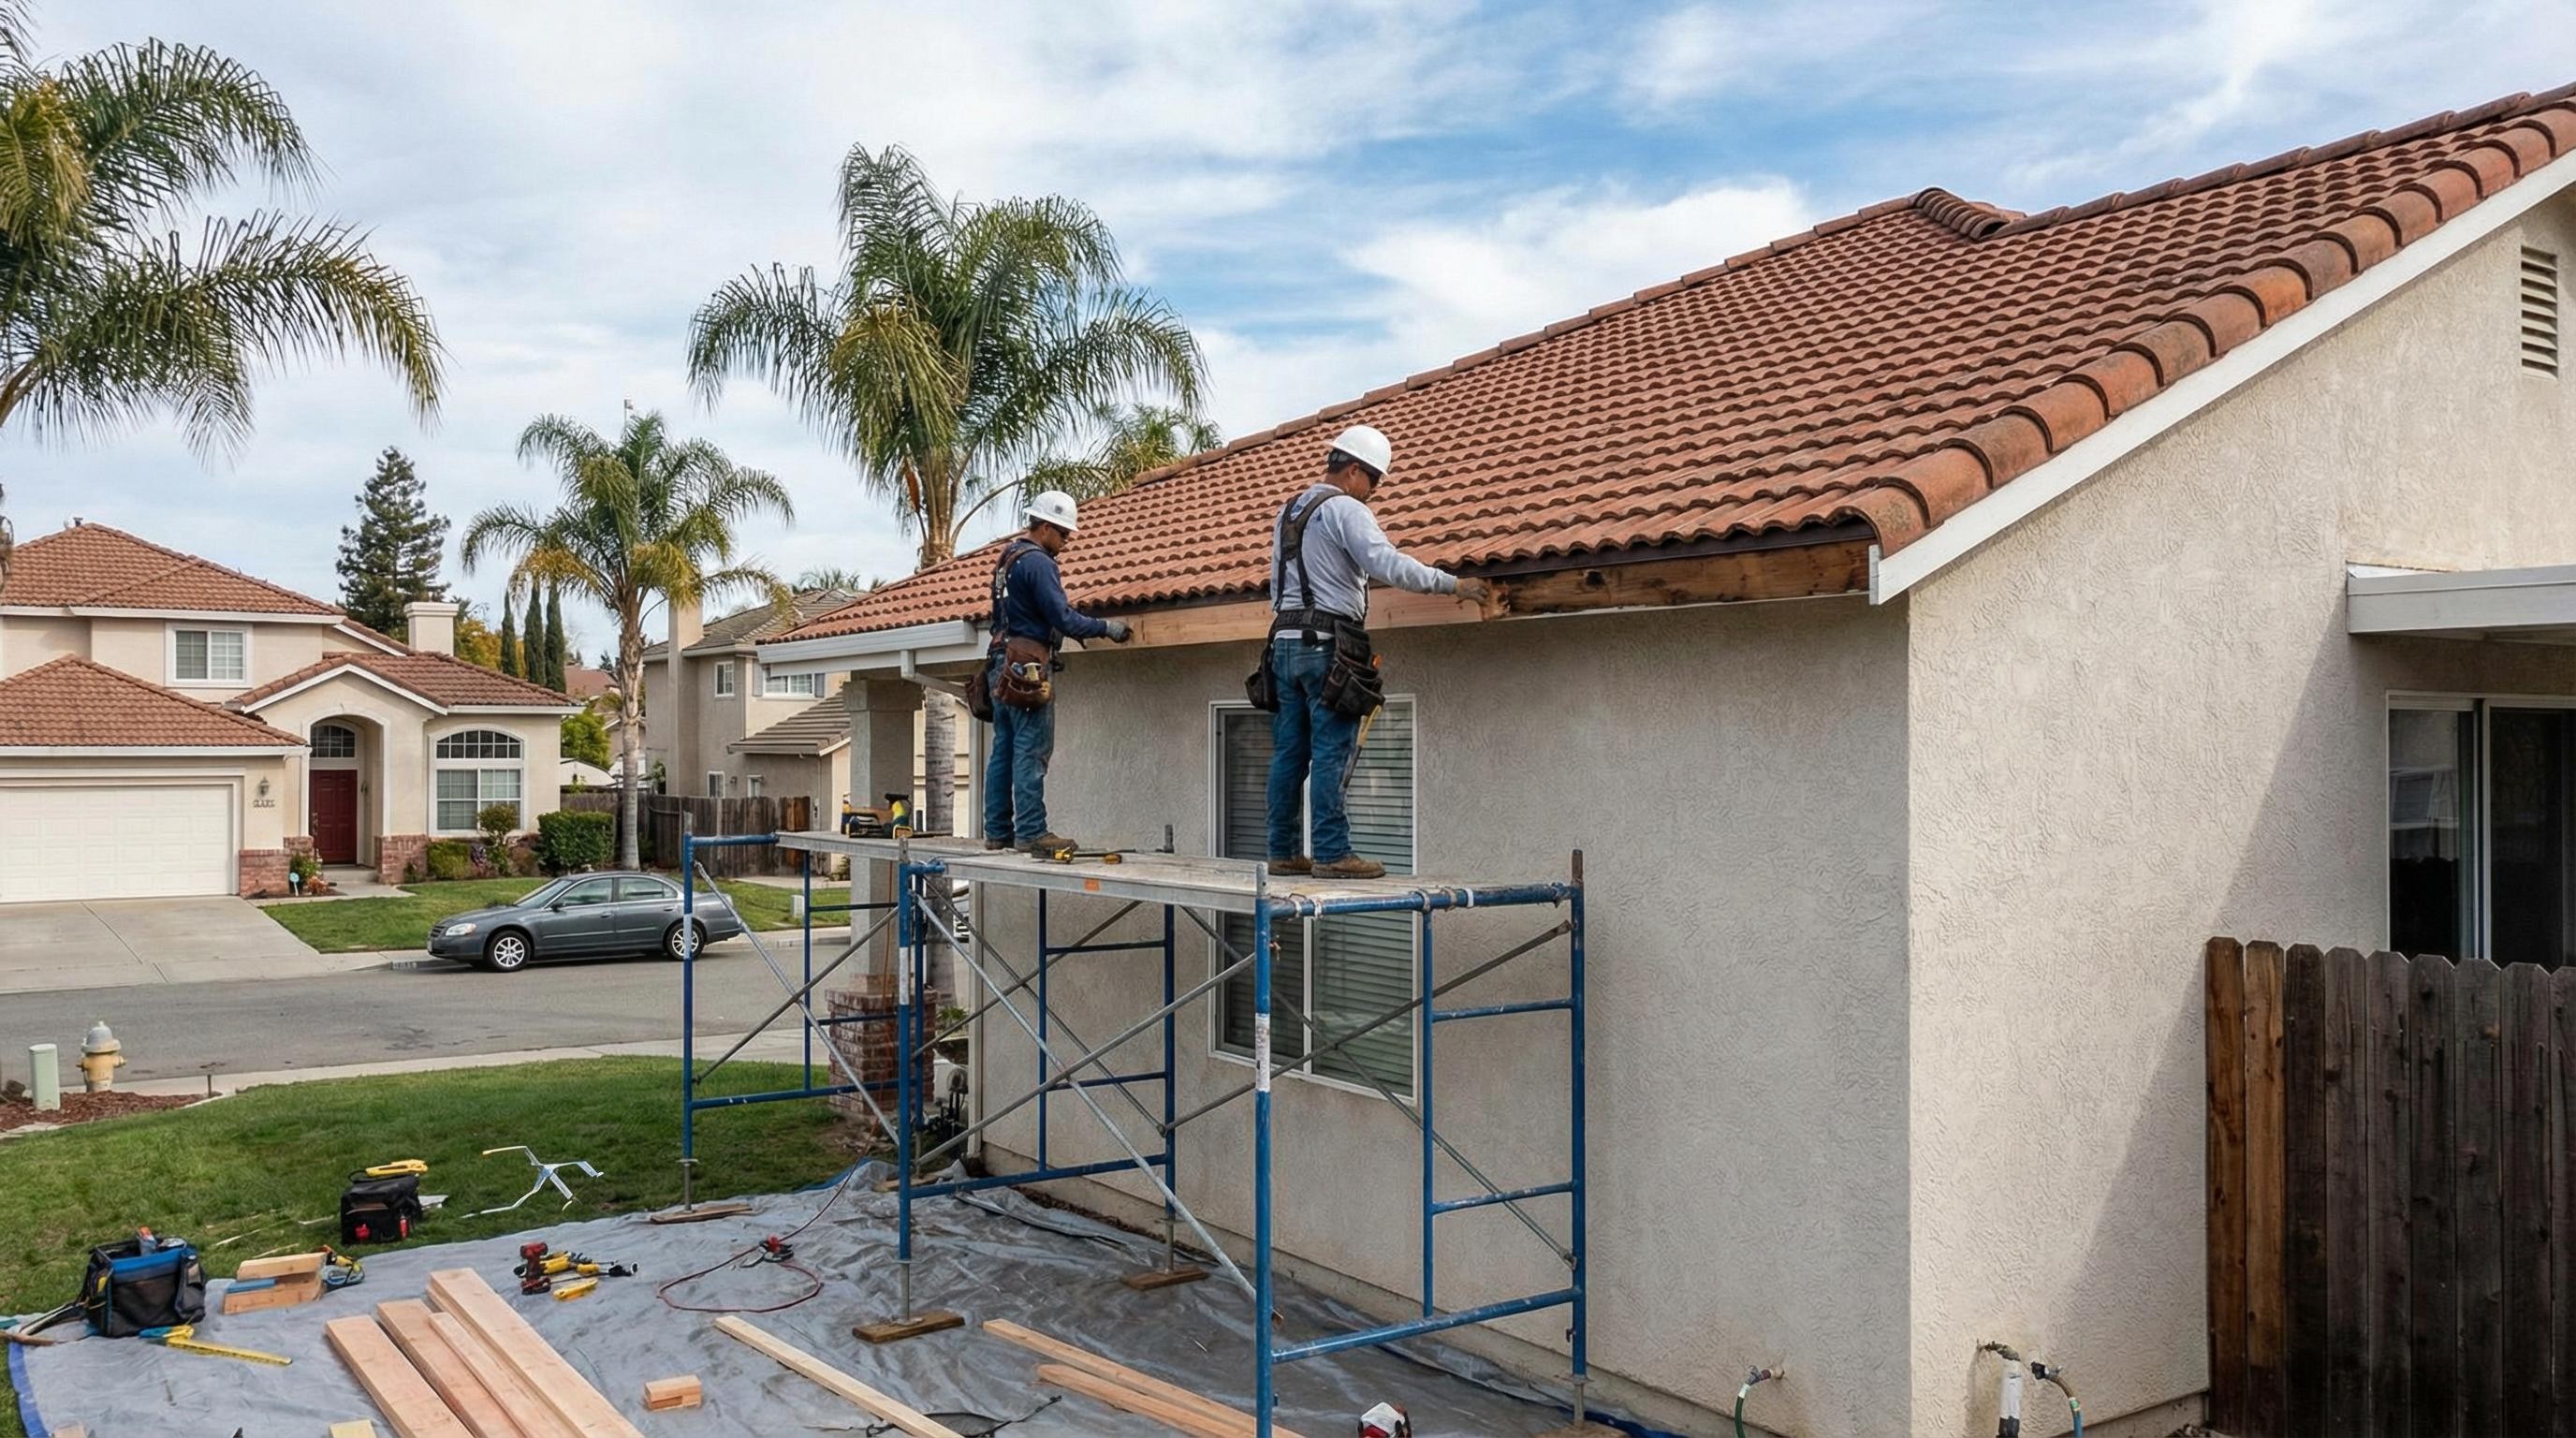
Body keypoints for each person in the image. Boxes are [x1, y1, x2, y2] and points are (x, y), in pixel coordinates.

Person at [1265, 425, 1489, 879]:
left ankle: (1283, 852)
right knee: (1332, 750)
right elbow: (1386, 563)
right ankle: (1331, 853)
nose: (1374, 492)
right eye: (1374, 481)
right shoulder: (1346, 508)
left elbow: (1276, 587)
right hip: (1326, 645)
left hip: (1282, 646)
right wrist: (1453, 585)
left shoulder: (1289, 511)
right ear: (1353, 471)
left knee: (1290, 752)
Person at [984, 490, 1132, 855]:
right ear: (1046, 526)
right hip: (1026, 665)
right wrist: (1106, 629)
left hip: (999, 661)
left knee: (1003, 749)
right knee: (1030, 749)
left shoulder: (1008, 557)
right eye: (1063, 534)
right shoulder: (1039, 563)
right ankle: (1032, 832)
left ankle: (998, 832)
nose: (1065, 543)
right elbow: (1062, 617)